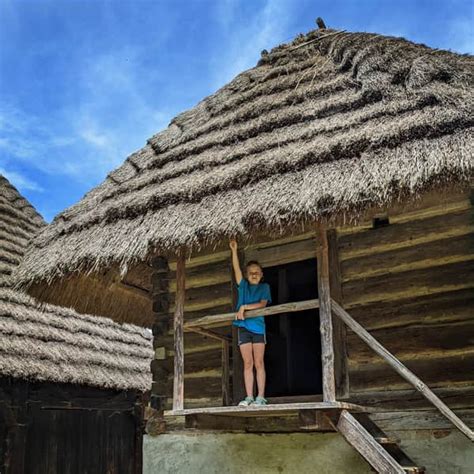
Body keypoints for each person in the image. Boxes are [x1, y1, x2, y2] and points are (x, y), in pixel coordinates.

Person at [229, 239, 272, 407]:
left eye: (257, 272)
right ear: (247, 275)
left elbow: (262, 304)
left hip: (258, 328)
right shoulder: (243, 286)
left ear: (261, 275)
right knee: (248, 363)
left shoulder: (264, 287)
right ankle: (249, 397)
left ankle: (261, 397)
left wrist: (244, 307)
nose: (254, 274)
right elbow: (236, 270)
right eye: (251, 272)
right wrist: (234, 250)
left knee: (259, 362)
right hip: (244, 328)